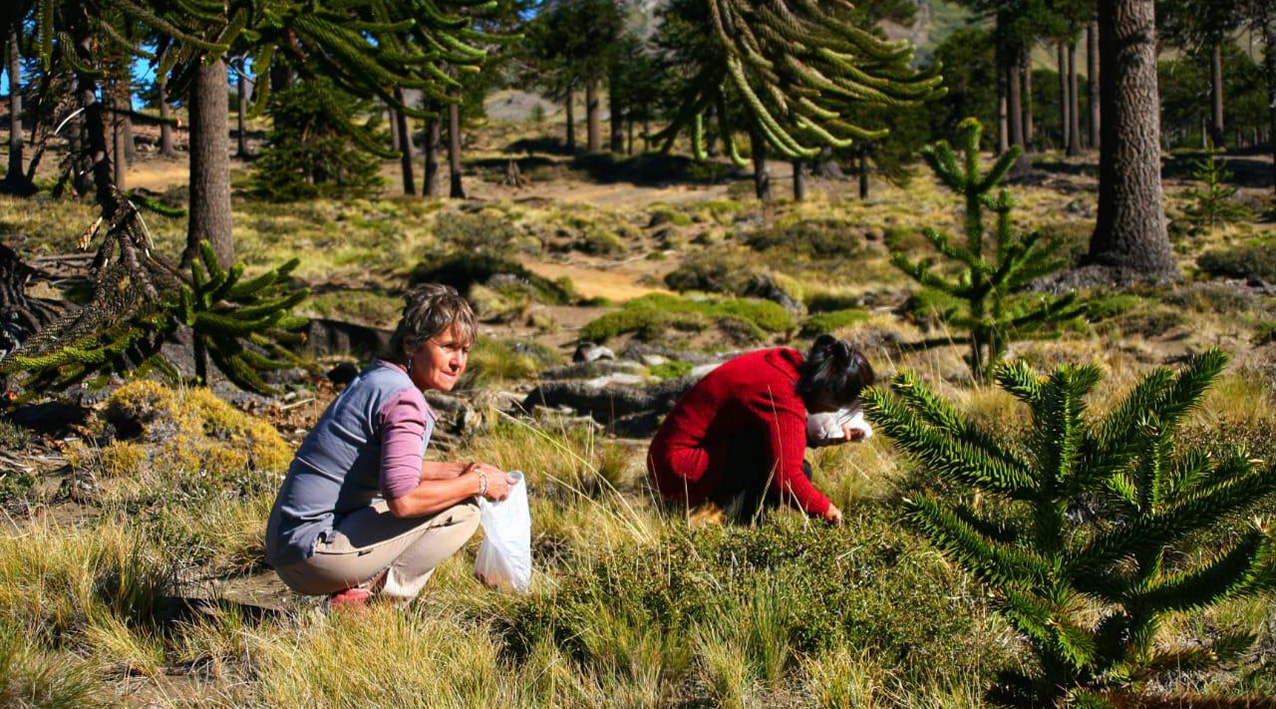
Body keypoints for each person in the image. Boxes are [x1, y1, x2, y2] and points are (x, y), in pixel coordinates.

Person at [265, 284, 517, 606]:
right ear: (412, 345)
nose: (459, 362)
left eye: (465, 350)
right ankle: (374, 603)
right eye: (449, 347)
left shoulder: (377, 379)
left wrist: (461, 470)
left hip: (286, 543)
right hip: (312, 554)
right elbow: (404, 500)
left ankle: (358, 592)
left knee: (455, 492)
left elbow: (391, 467)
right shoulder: (405, 400)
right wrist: (478, 483)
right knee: (463, 512)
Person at [646, 334, 875, 525]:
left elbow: (772, 430)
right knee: (796, 472)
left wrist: (822, 437)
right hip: (678, 468)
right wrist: (827, 511)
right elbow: (786, 479)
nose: (835, 412)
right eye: (839, 407)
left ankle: (723, 513)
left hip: (671, 456)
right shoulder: (783, 393)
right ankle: (725, 522)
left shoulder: (787, 364)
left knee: (772, 458)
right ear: (826, 392)